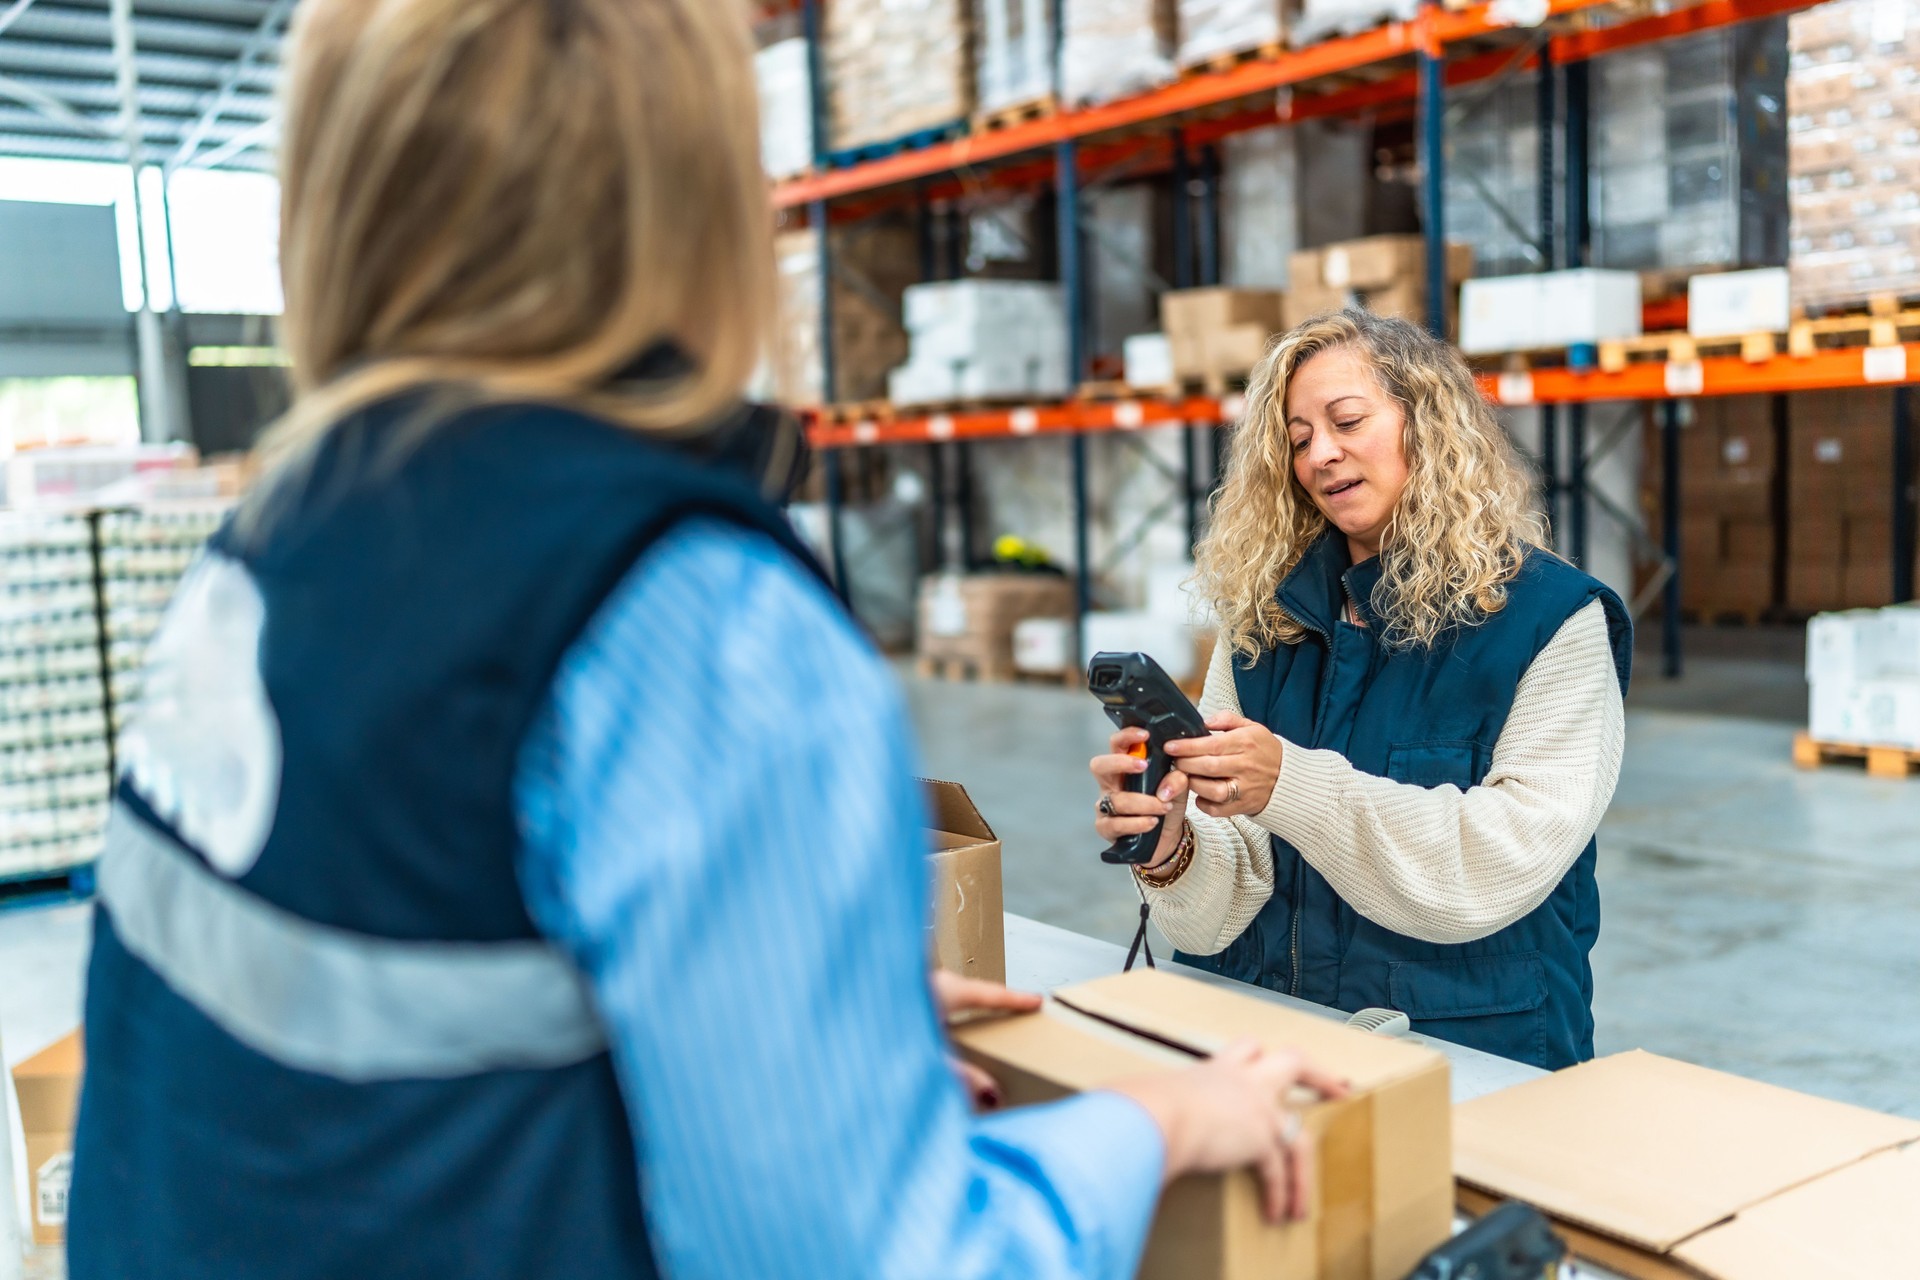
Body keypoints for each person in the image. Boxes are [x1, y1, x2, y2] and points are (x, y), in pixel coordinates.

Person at [64, 1, 1345, 1277]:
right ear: (705, 200)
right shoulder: (689, 615)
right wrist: (1150, 1124)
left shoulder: (277, 539)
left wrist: (783, 1038)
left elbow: (375, 1054)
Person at [1092, 309, 1631, 1070]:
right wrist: (1174, 842)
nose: (1322, 454)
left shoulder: (1554, 621)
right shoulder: (1262, 622)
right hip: (1266, 1042)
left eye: (1347, 420)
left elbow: (1493, 867)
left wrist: (1290, 783)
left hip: (1469, 1053)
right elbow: (1217, 915)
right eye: (1300, 437)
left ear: (1429, 423)